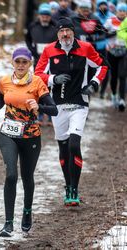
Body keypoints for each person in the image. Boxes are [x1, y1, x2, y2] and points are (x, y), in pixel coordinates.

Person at [35, 17, 108, 206]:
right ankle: (68, 186)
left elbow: (103, 65)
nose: (65, 34)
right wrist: (53, 79)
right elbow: (37, 74)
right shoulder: (49, 50)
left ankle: (74, 188)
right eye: (61, 31)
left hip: (79, 103)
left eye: (68, 30)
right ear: (57, 34)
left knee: (74, 144)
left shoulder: (85, 48)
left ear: (73, 32)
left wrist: (94, 83)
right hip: (57, 105)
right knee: (63, 147)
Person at [0, 47, 58, 237]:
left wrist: (39, 106)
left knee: (27, 177)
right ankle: (8, 223)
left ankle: (27, 212)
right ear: (12, 63)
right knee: (11, 175)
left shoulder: (37, 82)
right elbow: (1, 98)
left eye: (24, 62)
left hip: (31, 136)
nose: (20, 65)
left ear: (30, 64)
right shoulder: (5, 81)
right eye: (17, 62)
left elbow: (53, 110)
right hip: (8, 134)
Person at [25, 2, 57, 125]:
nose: (45, 17)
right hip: (38, 60)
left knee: (50, 85)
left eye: (47, 15)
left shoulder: (55, 26)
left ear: (50, 16)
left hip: (53, 60)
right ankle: (39, 114)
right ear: (39, 16)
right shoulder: (33, 26)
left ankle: (50, 115)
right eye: (42, 15)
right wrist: (32, 50)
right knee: (39, 85)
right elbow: (27, 38)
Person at [105, 3, 127, 111]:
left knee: (122, 75)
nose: (122, 13)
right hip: (112, 51)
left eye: (124, 11)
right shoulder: (110, 21)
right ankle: (114, 94)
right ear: (116, 11)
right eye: (120, 10)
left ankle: (122, 99)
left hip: (124, 51)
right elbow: (103, 34)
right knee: (113, 76)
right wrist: (114, 33)